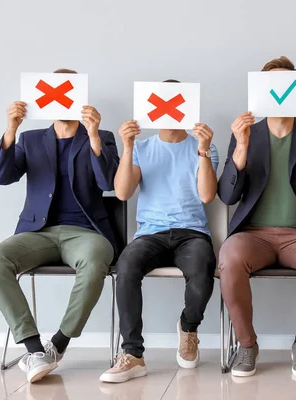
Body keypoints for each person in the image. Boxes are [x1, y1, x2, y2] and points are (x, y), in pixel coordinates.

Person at [0, 69, 119, 383]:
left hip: (86, 232)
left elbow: (109, 182)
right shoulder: (30, 139)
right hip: (37, 232)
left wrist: (95, 135)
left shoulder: (101, 136)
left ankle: (58, 344)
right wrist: (10, 131)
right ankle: (34, 349)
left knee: (97, 257)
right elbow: (0, 176)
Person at [217, 56, 296, 378]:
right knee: (229, 258)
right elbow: (228, 196)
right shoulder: (246, 132)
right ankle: (246, 345)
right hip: (253, 234)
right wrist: (241, 147)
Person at [100, 79, 219, 383]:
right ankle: (132, 353)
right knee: (126, 267)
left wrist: (204, 153)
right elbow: (123, 192)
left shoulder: (204, 147)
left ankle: (189, 327)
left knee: (203, 267)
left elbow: (207, 196)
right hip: (150, 233)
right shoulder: (141, 147)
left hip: (191, 233)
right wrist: (127, 149)